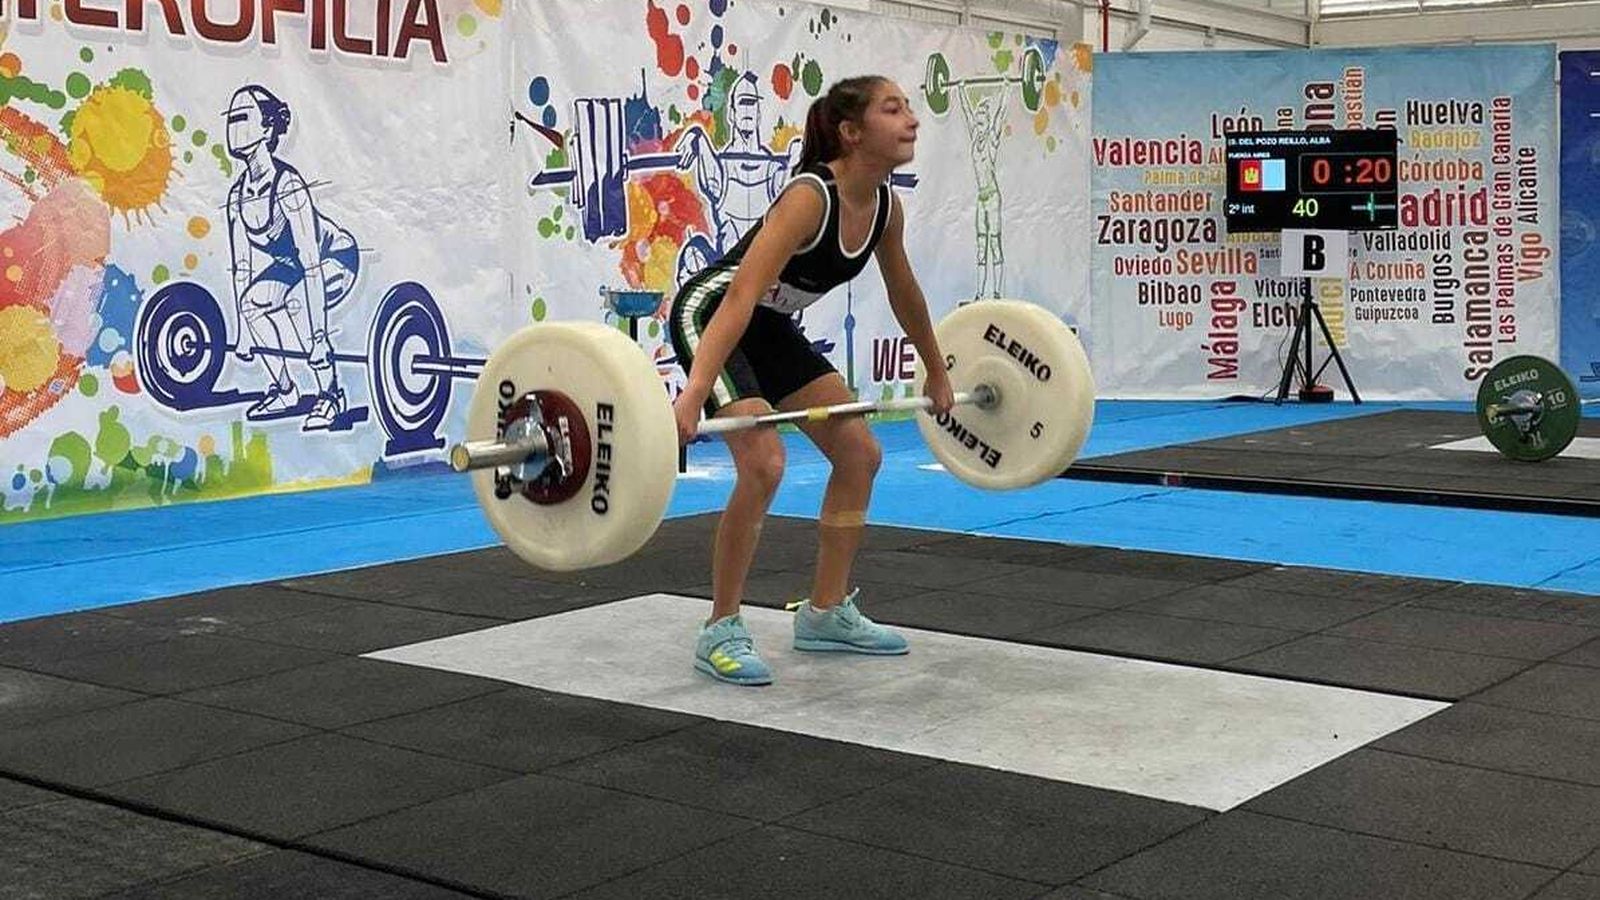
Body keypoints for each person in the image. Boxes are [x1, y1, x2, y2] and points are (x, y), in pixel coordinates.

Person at [668, 75, 954, 686]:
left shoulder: (884, 208)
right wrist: (694, 392)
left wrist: (936, 365)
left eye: (908, 107)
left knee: (859, 452)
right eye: (893, 109)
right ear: (852, 132)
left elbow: (903, 291)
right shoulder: (810, 197)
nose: (911, 119)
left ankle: (825, 612)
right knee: (765, 463)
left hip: (768, 327)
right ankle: (719, 627)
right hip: (715, 312)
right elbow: (741, 292)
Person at [224, 84, 360, 430]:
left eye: (243, 118)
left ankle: (330, 394)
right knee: (252, 302)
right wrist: (244, 334)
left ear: (267, 129)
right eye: (230, 119)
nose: (233, 128)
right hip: (292, 265)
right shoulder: (237, 196)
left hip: (333, 256)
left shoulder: (288, 187)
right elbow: (242, 268)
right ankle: (284, 389)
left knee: (298, 301)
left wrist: (316, 341)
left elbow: (311, 264)